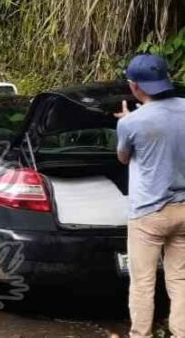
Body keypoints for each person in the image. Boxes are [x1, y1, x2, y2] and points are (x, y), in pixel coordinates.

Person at [115, 54, 185, 338]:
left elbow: (123, 158)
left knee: (143, 282)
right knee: (180, 279)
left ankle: (140, 335)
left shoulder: (132, 123)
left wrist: (129, 120)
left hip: (149, 214)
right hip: (184, 209)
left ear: (134, 86)